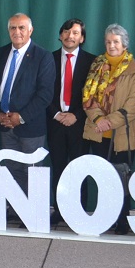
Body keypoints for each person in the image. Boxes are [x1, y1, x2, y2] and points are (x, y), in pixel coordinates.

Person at [82, 23, 135, 235]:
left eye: (116, 41)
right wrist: (99, 118)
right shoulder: (96, 65)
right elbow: (87, 96)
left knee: (122, 179)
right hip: (99, 133)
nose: (111, 45)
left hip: (124, 134)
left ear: (124, 44)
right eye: (108, 41)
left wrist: (110, 121)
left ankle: (123, 220)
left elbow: (134, 103)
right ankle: (105, 218)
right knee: (104, 180)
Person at [0, 13, 55, 194]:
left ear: (30, 30)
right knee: (12, 170)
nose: (17, 32)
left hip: (31, 127)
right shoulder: (1, 53)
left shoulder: (43, 56)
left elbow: (45, 94)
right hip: (5, 125)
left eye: (21, 28)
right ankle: (17, 211)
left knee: (33, 172)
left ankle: (35, 216)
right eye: (13, 28)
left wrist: (20, 117)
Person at [47, 18, 95, 223]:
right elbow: (43, 91)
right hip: (55, 122)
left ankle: (80, 212)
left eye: (75, 33)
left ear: (82, 38)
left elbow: (94, 95)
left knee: (79, 169)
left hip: (80, 124)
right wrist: (56, 114)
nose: (70, 36)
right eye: (66, 32)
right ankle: (58, 211)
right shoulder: (47, 59)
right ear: (60, 36)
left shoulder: (93, 61)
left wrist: (77, 114)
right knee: (58, 168)